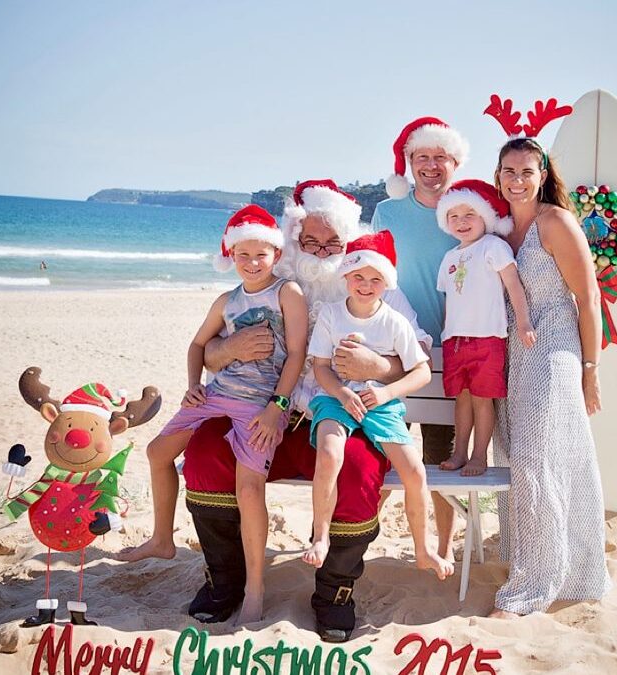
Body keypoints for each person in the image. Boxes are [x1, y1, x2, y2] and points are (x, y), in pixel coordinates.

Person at [180, 180, 431, 641]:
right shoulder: (268, 286)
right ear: (290, 242)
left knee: (355, 472)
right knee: (204, 456)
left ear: (347, 242)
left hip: (341, 418)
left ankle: (334, 592)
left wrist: (377, 365)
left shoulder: (376, 285)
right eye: (309, 241)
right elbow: (208, 347)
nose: (320, 251)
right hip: (261, 414)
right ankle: (225, 582)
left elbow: (415, 359)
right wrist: (227, 348)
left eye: (332, 241)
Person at [120, 205, 308, 624]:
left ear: (275, 254)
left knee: (248, 490)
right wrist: (192, 385)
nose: (252, 263)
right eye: (243, 255)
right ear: (231, 256)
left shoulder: (287, 293)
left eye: (261, 255)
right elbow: (196, 346)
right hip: (216, 396)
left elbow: (296, 354)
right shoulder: (227, 300)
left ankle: (255, 587)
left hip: (258, 406)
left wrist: (278, 408)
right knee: (156, 452)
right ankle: (162, 539)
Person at [488, 134, 612, 618]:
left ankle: (532, 587)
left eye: (526, 172)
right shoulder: (497, 233)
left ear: (542, 176)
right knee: (522, 461)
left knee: (538, 465)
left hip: (553, 353)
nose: (517, 180)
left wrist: (591, 371)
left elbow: (589, 299)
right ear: (498, 177)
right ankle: (554, 564)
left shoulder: (555, 223)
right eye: (509, 171)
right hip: (509, 357)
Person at [304, 230, 454, 582]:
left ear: (387, 283)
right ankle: (321, 536)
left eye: (375, 279)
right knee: (329, 453)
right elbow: (321, 367)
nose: (366, 285)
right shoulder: (330, 314)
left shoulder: (394, 321)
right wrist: (342, 394)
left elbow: (420, 371)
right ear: (345, 277)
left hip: (381, 404)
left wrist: (386, 394)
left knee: (415, 471)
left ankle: (422, 549)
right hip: (337, 399)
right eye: (358, 276)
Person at [371, 116, 468, 560]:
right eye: (421, 157)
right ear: (408, 162)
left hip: (454, 351)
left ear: (455, 162)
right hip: (395, 352)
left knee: (442, 459)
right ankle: (357, 539)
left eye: (440, 157)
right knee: (382, 454)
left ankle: (444, 548)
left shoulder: (468, 211)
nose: (431, 166)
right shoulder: (387, 213)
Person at [434, 180, 536, 476]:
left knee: (482, 398)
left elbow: (513, 285)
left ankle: (480, 456)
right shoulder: (449, 258)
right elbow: (449, 301)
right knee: (461, 398)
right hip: (455, 341)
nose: (461, 222)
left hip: (487, 338)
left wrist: (523, 320)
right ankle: (459, 453)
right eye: (454, 216)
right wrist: (445, 333)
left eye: (470, 214)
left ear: (485, 217)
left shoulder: (494, 246)